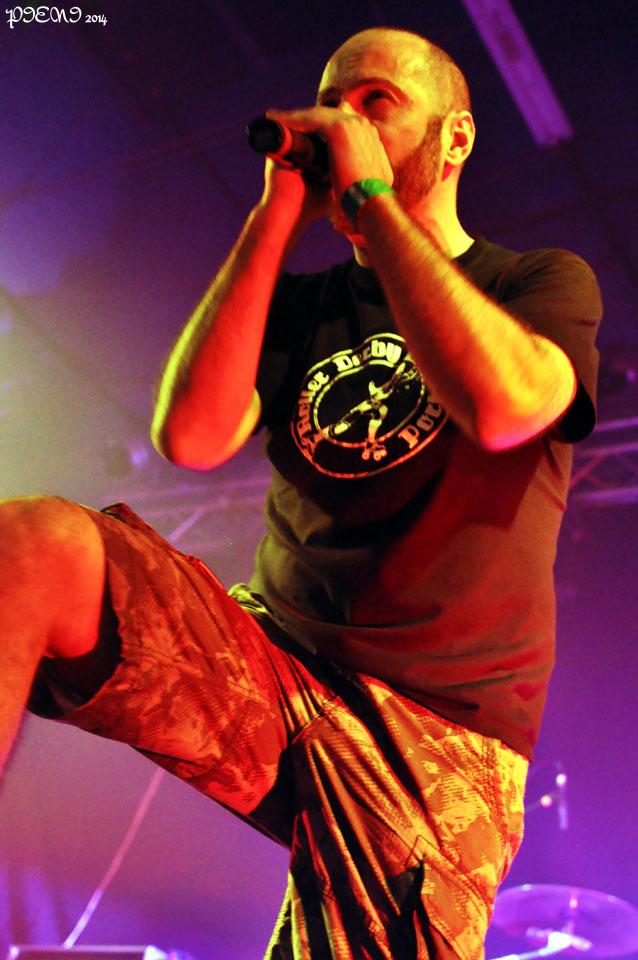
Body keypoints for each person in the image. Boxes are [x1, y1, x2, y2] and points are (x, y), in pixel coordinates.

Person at [0, 26, 601, 960]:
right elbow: (191, 438)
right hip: (276, 659)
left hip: (433, 732)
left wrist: (369, 200)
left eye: (375, 103)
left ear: (455, 138)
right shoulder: (306, 306)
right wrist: (276, 213)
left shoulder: (535, 282)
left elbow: (504, 406)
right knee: (33, 544)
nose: (341, 122)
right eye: (330, 104)